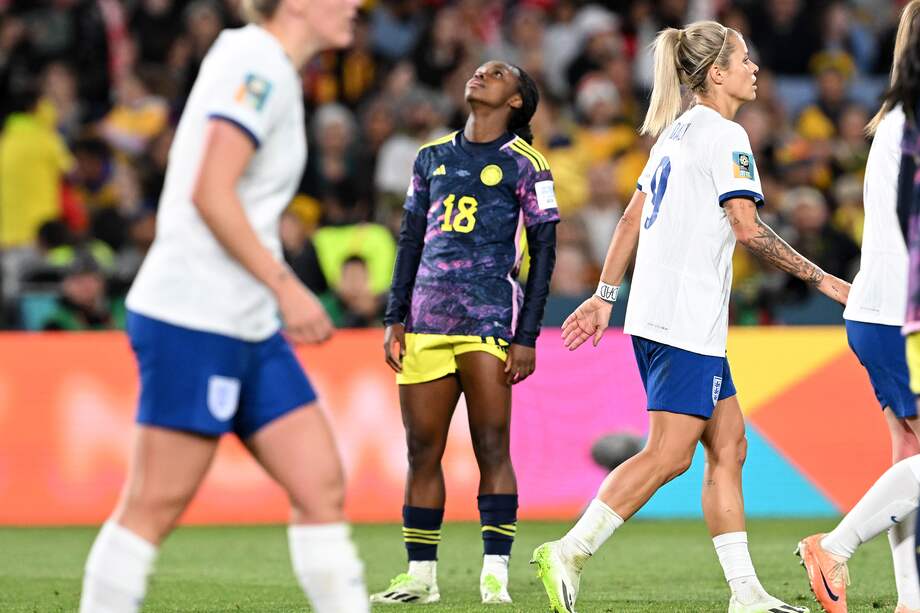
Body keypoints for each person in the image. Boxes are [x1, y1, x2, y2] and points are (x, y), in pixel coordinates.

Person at [531, 20, 849, 613]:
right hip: (684, 319)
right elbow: (748, 229)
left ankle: (745, 593)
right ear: (717, 73)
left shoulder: (674, 135)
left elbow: (630, 219)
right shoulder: (726, 136)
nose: (754, 69)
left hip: (663, 315)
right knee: (671, 454)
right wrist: (824, 279)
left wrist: (605, 294)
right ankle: (570, 551)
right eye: (745, 59)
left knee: (729, 444)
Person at [77, 1, 369, 612]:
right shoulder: (254, 61)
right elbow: (211, 191)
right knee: (154, 504)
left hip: (246, 319)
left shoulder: (273, 69)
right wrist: (287, 285)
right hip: (195, 313)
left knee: (319, 481)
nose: (355, 5)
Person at [370, 61, 559, 605]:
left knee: (492, 447)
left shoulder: (527, 164)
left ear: (517, 101)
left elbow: (544, 252)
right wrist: (394, 317)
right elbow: (410, 239)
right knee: (421, 450)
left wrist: (528, 335)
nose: (480, 75)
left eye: (496, 74)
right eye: (479, 70)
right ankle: (420, 577)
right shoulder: (430, 157)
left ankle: (493, 573)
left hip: (490, 319)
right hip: (427, 321)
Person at [798, 4, 920, 612]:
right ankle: (835, 547)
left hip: (880, 310)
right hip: (903, 313)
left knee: (910, 460)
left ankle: (910, 599)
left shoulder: (896, 114)